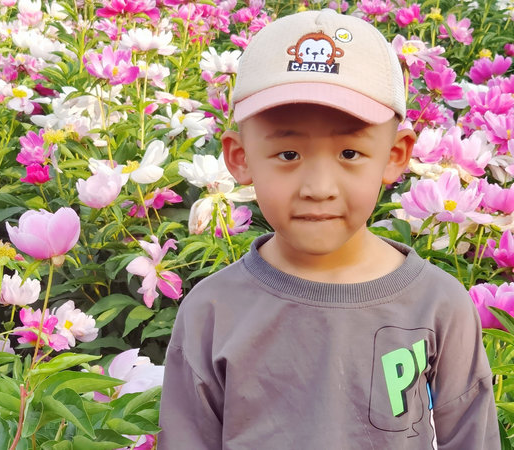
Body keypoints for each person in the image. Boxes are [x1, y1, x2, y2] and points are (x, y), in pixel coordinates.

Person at [158, 9, 499, 450]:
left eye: (351, 153)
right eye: (287, 154)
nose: (318, 188)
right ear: (239, 158)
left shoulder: (438, 305)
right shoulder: (211, 311)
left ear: (396, 155)